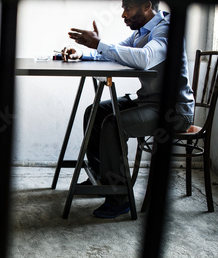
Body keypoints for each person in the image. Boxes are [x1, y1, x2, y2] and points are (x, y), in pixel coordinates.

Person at [61, 0, 195, 218]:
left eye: (128, 8)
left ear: (146, 6)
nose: (123, 14)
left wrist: (99, 43)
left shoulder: (167, 30)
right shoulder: (141, 33)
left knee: (113, 125)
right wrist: (82, 54)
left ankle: (118, 197)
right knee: (95, 112)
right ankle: (101, 179)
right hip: (149, 102)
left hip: (174, 112)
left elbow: (144, 58)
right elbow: (115, 53)